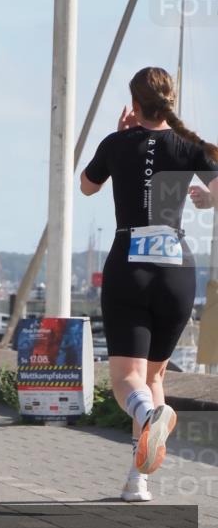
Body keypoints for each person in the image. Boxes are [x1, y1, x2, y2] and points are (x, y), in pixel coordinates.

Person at [80, 66, 218, 502]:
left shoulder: (117, 142)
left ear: (135, 104)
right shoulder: (190, 145)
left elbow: (86, 187)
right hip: (176, 270)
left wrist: (122, 135)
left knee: (126, 380)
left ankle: (150, 414)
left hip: (130, 266)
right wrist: (207, 198)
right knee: (154, 374)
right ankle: (137, 479)